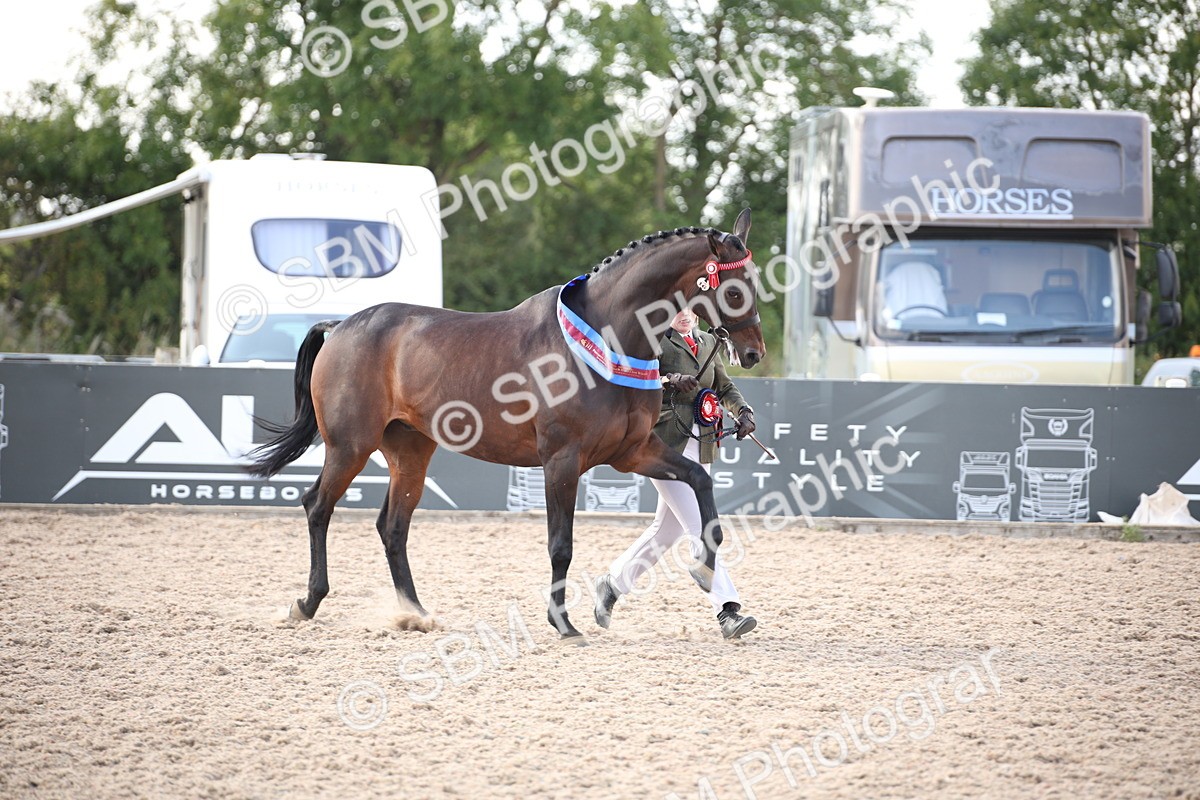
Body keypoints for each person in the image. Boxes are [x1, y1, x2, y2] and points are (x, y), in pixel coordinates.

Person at [593, 308, 758, 639]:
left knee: (665, 532)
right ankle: (727, 610)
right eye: (677, 309)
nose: (684, 315)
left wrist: (743, 412)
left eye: (690, 310)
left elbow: (723, 387)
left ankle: (612, 584)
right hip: (664, 444)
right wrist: (668, 380)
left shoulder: (710, 341)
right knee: (700, 524)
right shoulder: (655, 343)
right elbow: (633, 379)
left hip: (703, 442)